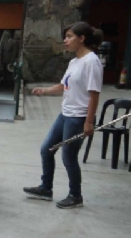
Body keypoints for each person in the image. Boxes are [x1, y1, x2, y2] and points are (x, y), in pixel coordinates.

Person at [24, 22, 103, 209]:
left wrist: (89, 122)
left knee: (69, 157)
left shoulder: (91, 61)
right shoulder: (74, 62)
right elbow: (63, 86)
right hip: (65, 113)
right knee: (47, 149)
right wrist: (44, 91)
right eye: (65, 37)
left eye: (69, 36)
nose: (65, 41)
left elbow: (94, 94)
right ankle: (46, 188)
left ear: (82, 38)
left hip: (78, 117)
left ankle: (75, 195)